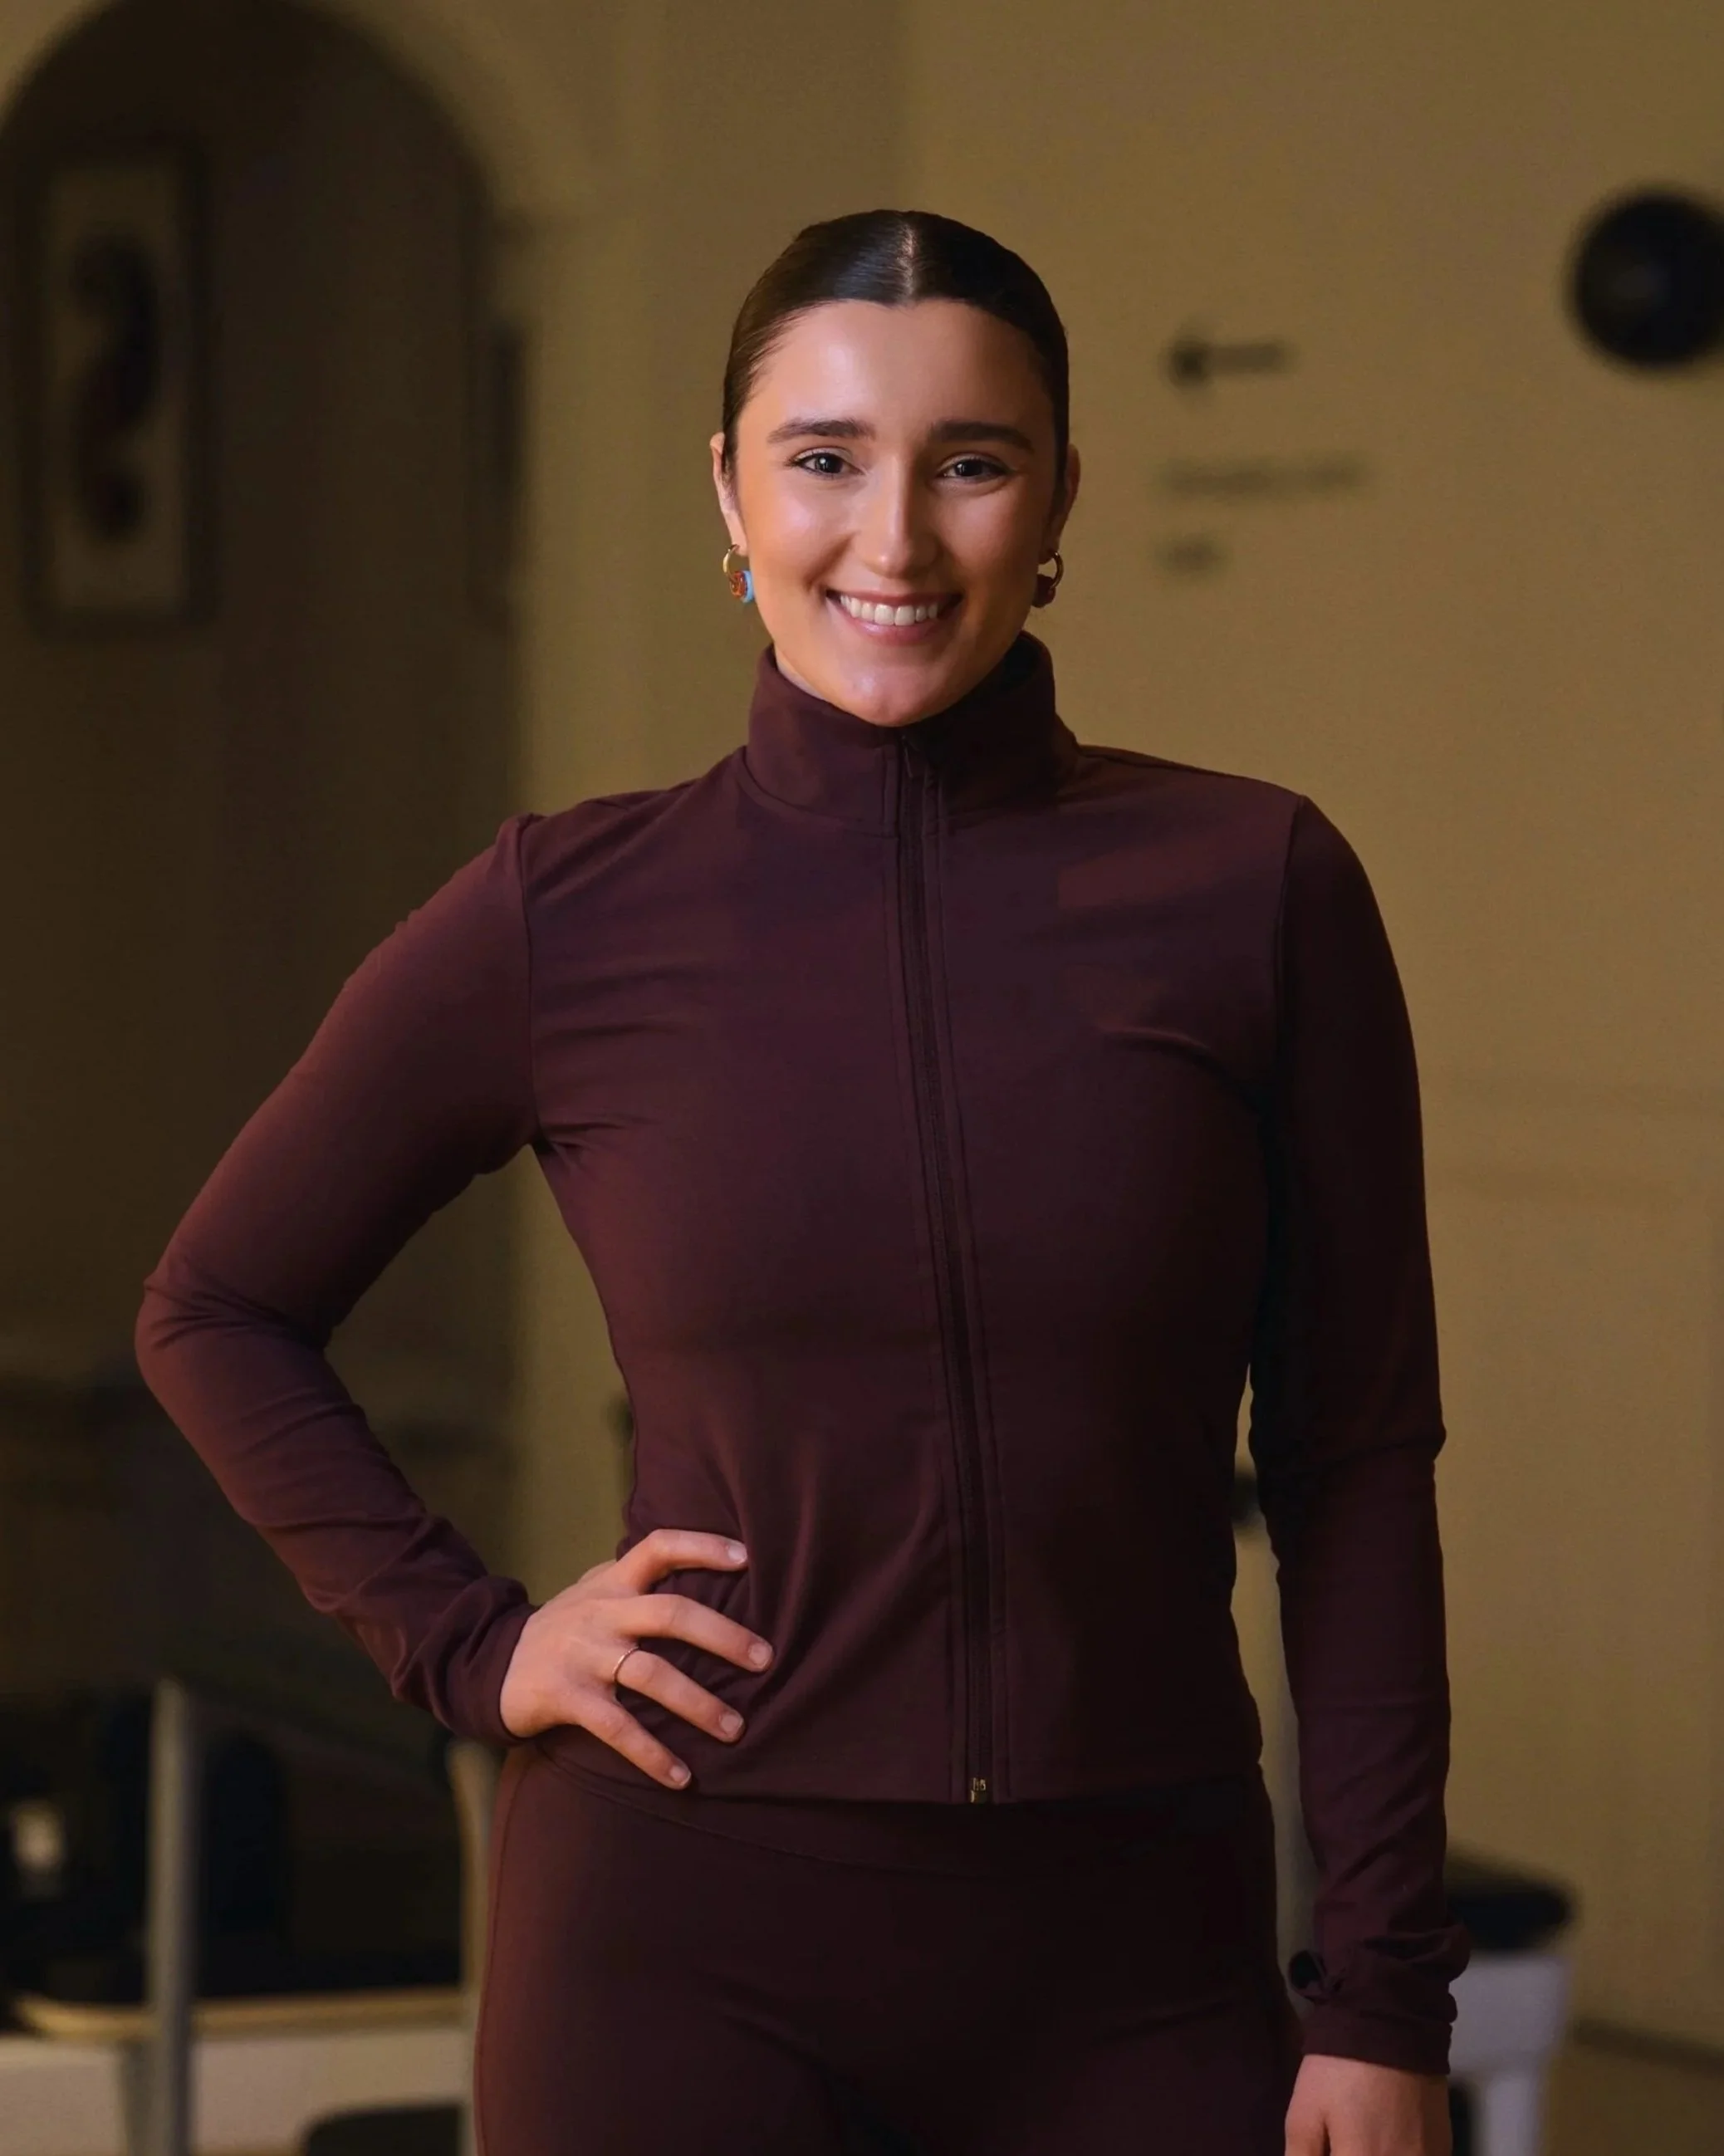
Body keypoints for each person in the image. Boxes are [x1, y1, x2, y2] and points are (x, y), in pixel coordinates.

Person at [135, 208, 1470, 2154]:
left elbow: (1358, 1461)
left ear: (1061, 494)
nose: (897, 541)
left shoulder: (1256, 892)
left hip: (1140, 1954)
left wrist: (1383, 1997)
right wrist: (480, 1640)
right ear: (731, 491)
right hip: (674, 1955)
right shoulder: (563, 913)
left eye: (975, 463)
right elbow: (218, 1307)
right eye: (826, 458)